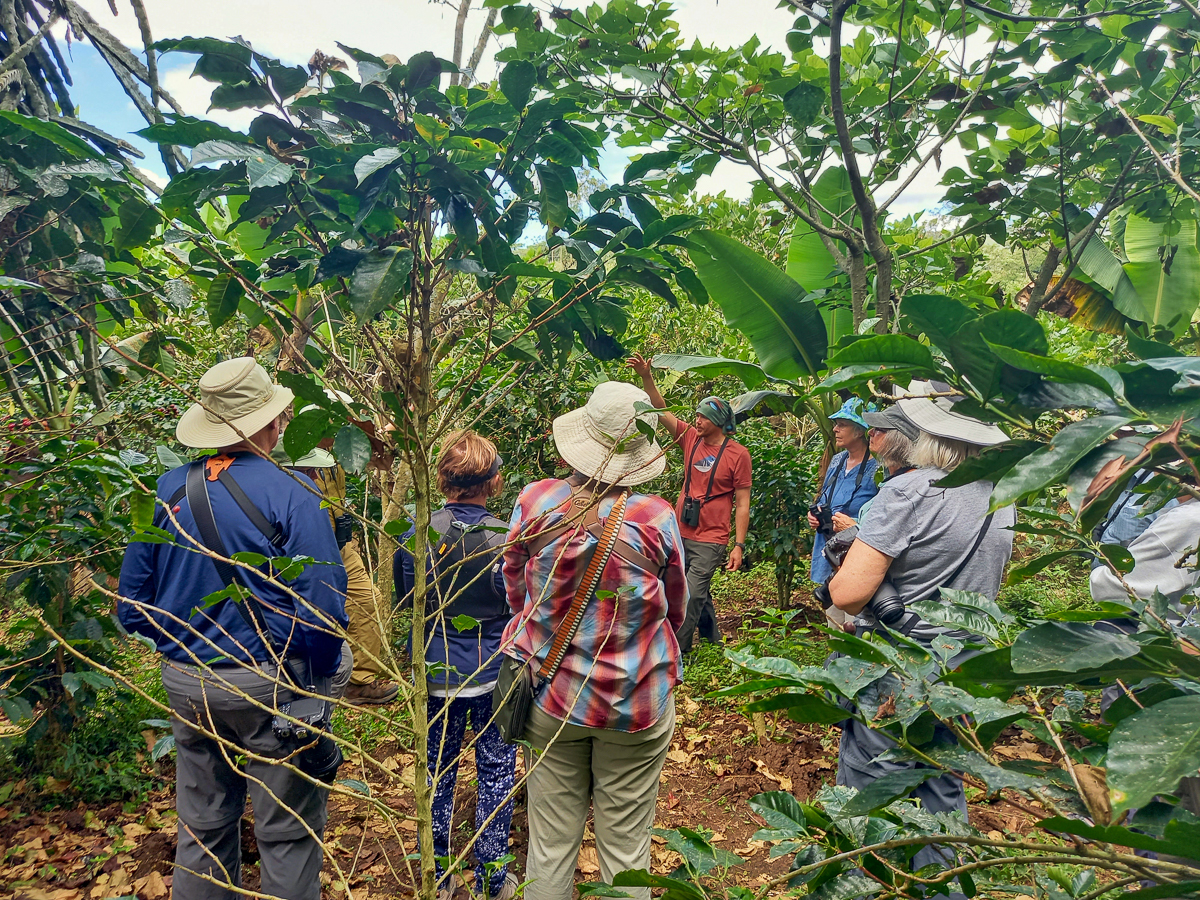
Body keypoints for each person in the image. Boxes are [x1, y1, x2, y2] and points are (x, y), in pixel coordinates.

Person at [117, 357, 350, 900]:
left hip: (186, 681)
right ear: (273, 423)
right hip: (268, 684)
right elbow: (321, 604)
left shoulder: (169, 489)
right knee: (287, 831)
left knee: (201, 826)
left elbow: (133, 604)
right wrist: (313, 683)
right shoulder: (293, 493)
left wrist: (182, 650)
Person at [502, 381, 687, 900]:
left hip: (551, 694)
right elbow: (675, 606)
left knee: (549, 845)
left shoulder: (537, 501)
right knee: (627, 850)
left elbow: (514, 586)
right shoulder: (655, 517)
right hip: (636, 703)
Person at [825, 383, 1014, 875]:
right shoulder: (1002, 492)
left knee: (874, 784)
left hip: (898, 665)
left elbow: (847, 593)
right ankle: (942, 883)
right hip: (963, 664)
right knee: (941, 782)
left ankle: (866, 881)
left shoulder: (911, 490)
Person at [393, 430, 516, 900]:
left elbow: (407, 597)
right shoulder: (504, 537)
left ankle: (438, 875)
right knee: (497, 770)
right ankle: (493, 877)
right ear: (492, 482)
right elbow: (514, 602)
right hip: (491, 671)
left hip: (436, 670)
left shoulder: (418, 531)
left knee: (437, 773)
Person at [628, 353, 751, 653]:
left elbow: (743, 503)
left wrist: (738, 545)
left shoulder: (739, 455)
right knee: (690, 591)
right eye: (696, 415)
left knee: (691, 595)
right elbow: (660, 409)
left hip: (712, 537)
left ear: (720, 422)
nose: (697, 420)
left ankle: (675, 654)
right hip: (681, 531)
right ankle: (713, 640)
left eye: (704, 416)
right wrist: (647, 376)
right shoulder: (690, 438)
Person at [280, 436, 398, 706]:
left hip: (340, 545)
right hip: (307, 546)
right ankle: (309, 681)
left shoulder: (340, 453)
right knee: (314, 611)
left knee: (368, 599)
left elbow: (380, 456)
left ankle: (359, 682)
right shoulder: (292, 452)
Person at [821, 404, 916, 632]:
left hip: (873, 585)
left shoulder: (901, 489)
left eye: (877, 429)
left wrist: (856, 530)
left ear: (896, 440)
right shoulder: (840, 461)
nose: (870, 432)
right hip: (837, 556)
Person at [807, 398, 879, 588]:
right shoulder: (838, 459)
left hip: (858, 555)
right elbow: (824, 496)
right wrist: (815, 516)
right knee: (833, 616)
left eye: (842, 425)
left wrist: (854, 525)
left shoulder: (878, 468)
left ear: (860, 430)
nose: (835, 430)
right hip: (828, 552)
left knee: (856, 616)